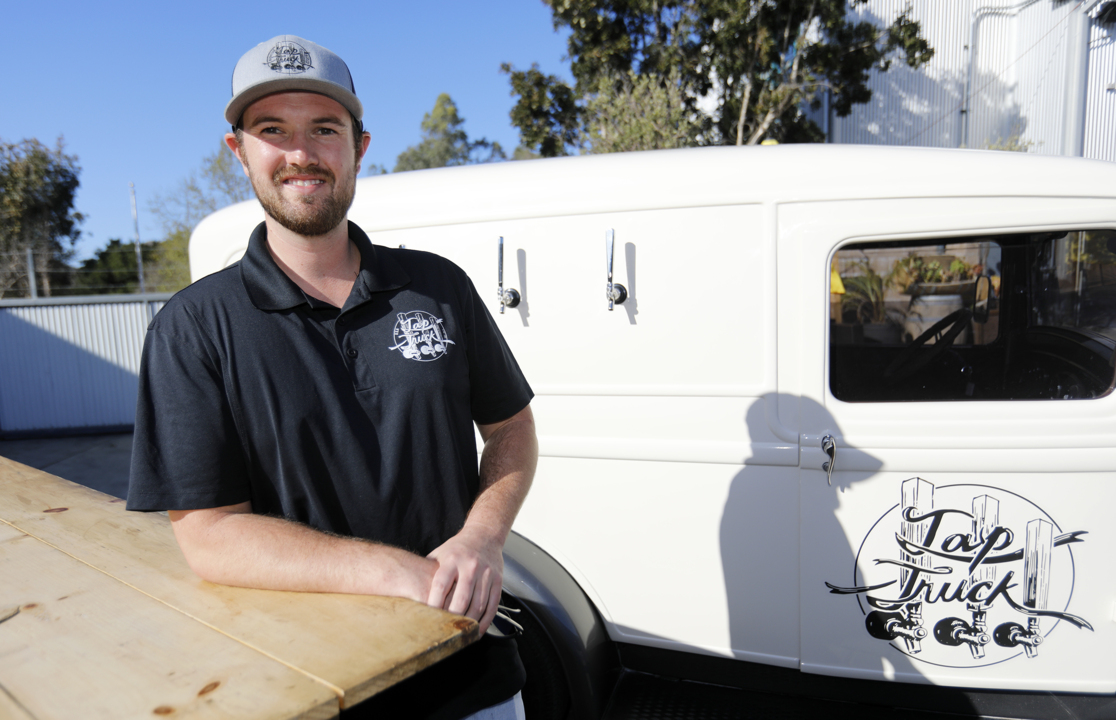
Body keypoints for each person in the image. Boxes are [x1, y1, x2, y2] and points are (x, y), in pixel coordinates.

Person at [127, 35, 537, 720]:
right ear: (239, 152)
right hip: (303, 692)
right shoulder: (193, 327)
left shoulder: (438, 288)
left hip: (470, 684)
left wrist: (481, 538)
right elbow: (208, 532)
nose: (300, 154)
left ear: (359, 146)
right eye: (272, 131)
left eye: (324, 129)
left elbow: (512, 428)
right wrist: (393, 571)